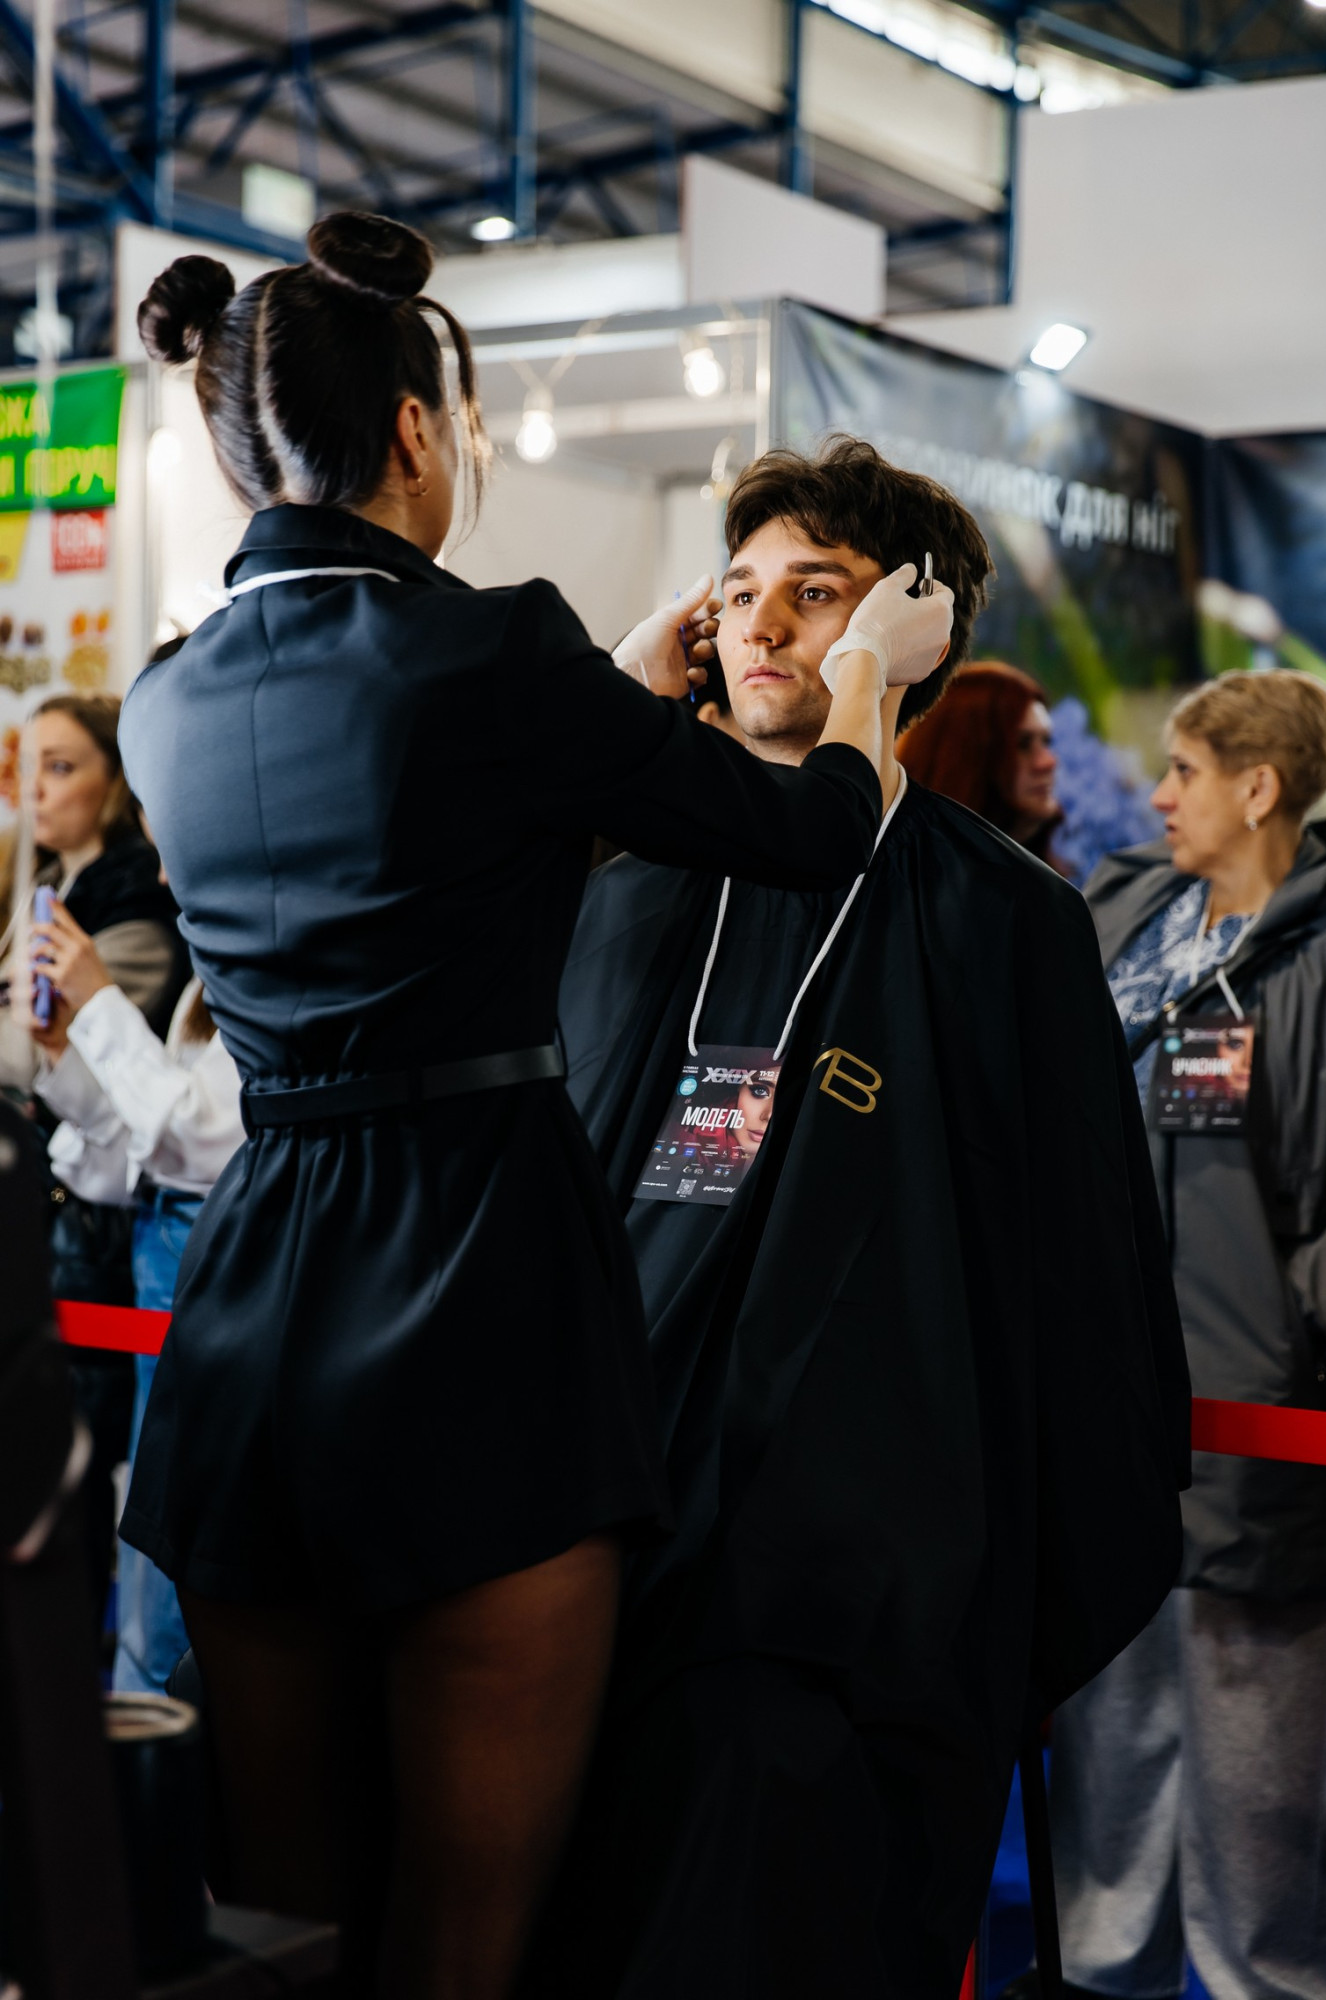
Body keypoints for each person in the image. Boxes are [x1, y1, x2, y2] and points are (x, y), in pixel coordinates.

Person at [116, 211, 950, 2000]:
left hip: (255, 1295)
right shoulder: (495, 652)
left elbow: (408, 873)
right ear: (418, 430)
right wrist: (869, 670)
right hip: (472, 1272)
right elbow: (814, 829)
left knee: (278, 1922)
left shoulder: (165, 698)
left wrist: (600, 710)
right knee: (468, 1937)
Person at [537, 437, 1190, 2000]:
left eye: (814, 593)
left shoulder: (1005, 919)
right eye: (740, 590)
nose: (762, 625)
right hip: (605, 1558)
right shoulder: (623, 893)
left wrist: (1011, 1602)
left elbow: (1083, 1286)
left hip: (859, 1607)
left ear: (909, 627)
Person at [1046, 669, 1326, 2000]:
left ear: (1257, 786)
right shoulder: (1128, 919)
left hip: (1262, 1445)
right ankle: (1104, 1977)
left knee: (1256, 1793)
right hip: (1113, 1421)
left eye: (1184, 771)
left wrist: (1298, 1355)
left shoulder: (1317, 960)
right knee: (1108, 1768)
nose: (1154, 797)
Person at [0, 693, 188, 1632]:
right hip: (61, 1202)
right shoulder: (45, 896)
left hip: (102, 1236)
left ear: (117, 784)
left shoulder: (134, 911)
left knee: (83, 1484)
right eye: (26, 766)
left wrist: (62, 1027)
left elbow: (163, 1122)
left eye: (63, 765)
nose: (36, 789)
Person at [29, 876, 243, 1695]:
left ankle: (161, 1748)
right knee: (148, 1552)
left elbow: (199, 1138)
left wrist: (97, 1001)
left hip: (211, 1273)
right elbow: (139, 1156)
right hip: (163, 1273)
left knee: (178, 1572)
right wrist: (65, 1051)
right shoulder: (207, 970)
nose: (159, 874)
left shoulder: (272, 958)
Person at [897, 659, 1065, 867]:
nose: (1048, 762)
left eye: (1047, 741)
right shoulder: (910, 876)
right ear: (963, 759)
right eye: (1023, 744)